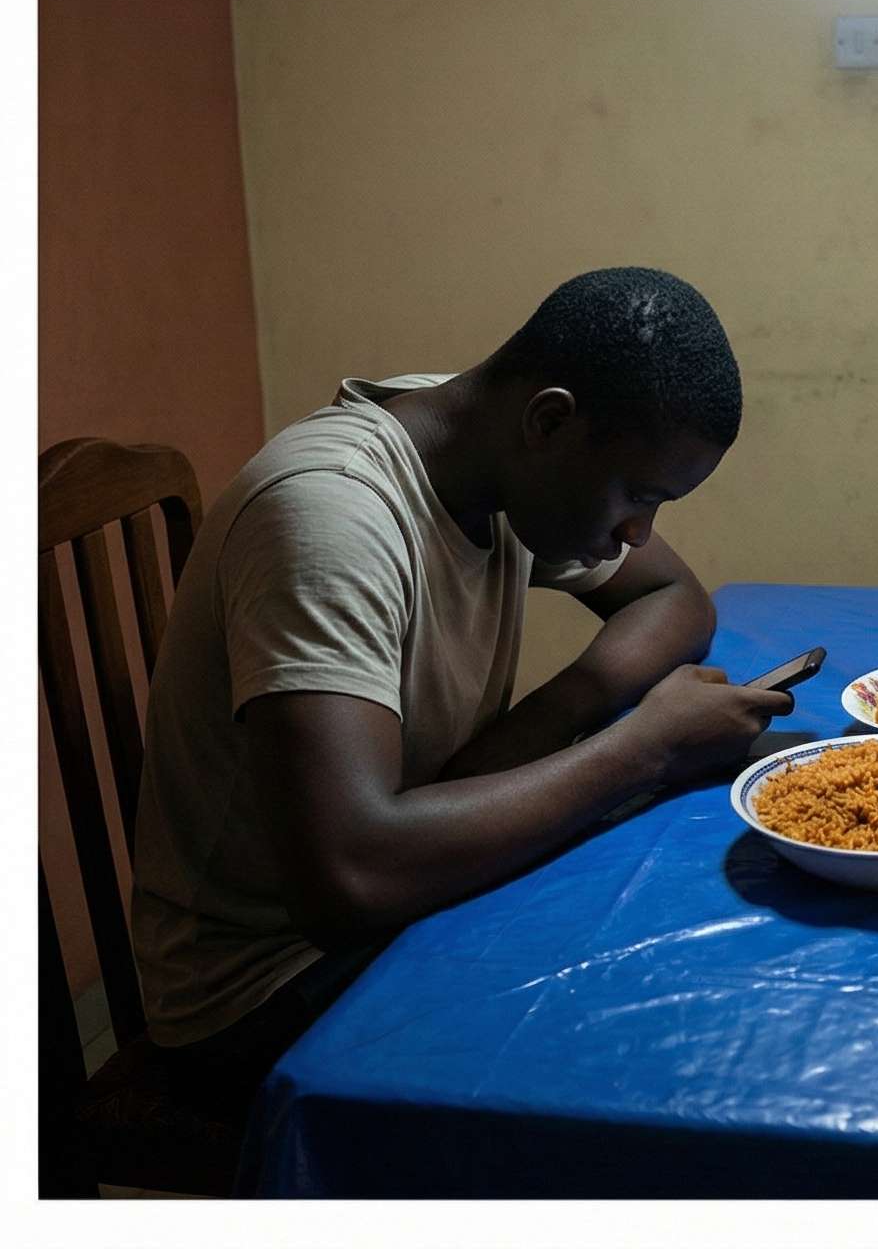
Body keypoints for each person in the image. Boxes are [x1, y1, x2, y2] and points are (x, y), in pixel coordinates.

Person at [129, 266, 793, 1121]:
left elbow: (675, 601)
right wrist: (644, 748)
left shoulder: (484, 446)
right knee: (658, 1041)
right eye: (638, 495)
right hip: (263, 992)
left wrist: (542, 724)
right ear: (548, 422)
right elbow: (347, 883)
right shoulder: (334, 517)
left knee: (681, 928)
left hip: (405, 883)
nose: (638, 532)